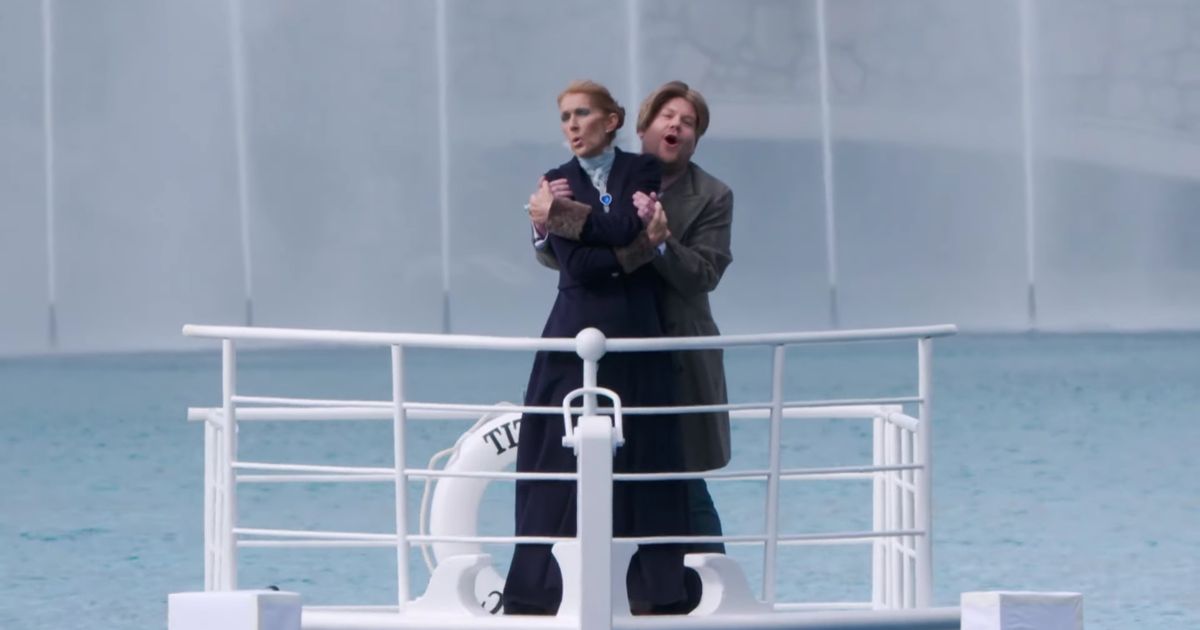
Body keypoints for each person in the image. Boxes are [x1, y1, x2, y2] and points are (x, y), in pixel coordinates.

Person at [504, 80, 691, 616]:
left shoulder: (642, 169)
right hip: (571, 334)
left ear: (611, 121)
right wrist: (635, 248)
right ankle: (541, 591)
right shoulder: (555, 180)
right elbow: (581, 265)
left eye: (582, 114)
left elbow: (622, 225)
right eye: (565, 117)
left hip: (637, 332)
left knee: (646, 451)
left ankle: (652, 590)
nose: (572, 125)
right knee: (552, 453)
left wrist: (563, 218)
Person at [530, 81, 733, 555]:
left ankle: (709, 574)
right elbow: (568, 261)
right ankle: (609, 578)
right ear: (642, 128)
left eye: (688, 122)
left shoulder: (713, 195)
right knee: (598, 468)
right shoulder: (604, 176)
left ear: (696, 138)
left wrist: (660, 244)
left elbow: (705, 274)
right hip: (608, 344)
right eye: (667, 117)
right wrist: (543, 223)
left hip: (672, 349)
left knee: (679, 475)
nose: (676, 126)